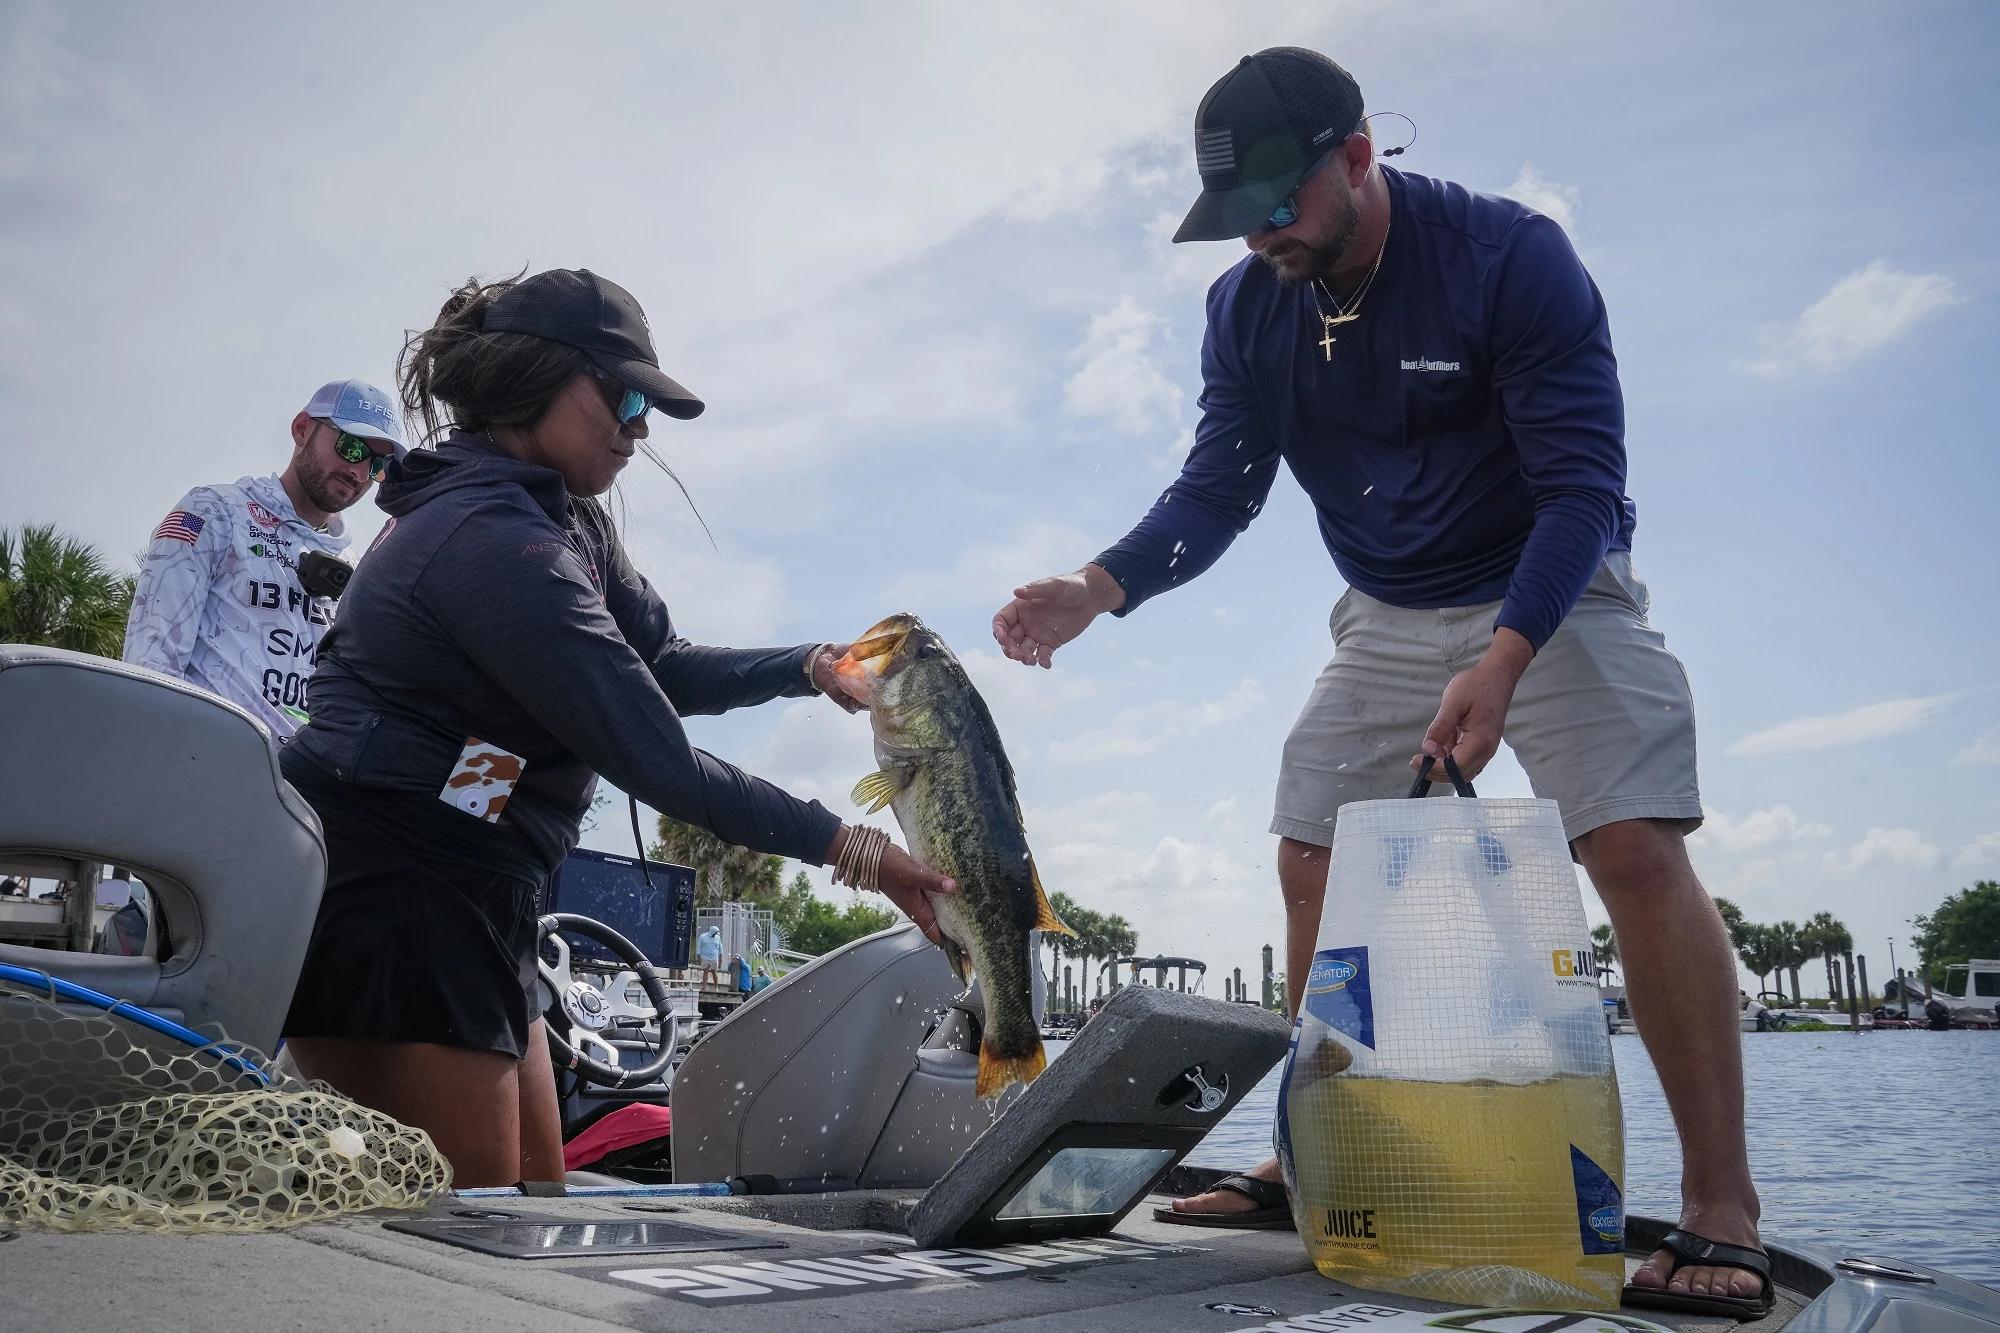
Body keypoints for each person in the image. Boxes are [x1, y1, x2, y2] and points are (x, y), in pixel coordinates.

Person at [992, 48, 1766, 1316]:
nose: (1259, 241)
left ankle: (1721, 1201)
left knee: (1628, 846)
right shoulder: (1249, 306)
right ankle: (1315, 1153)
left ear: (1358, 156)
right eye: (1234, 222)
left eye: (1278, 208)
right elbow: (1216, 489)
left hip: (1550, 580)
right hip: (1387, 609)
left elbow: (1580, 487)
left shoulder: (1511, 258)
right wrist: (1099, 586)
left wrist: (1504, 661)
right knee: (1312, 850)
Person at [278, 268, 955, 1187]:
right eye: (627, 395)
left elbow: (662, 664)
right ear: (539, 380)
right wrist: (855, 851)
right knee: (465, 1229)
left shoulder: (567, 524)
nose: (641, 428)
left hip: (483, 885)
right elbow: (658, 758)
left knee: (534, 1192)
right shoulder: (494, 544)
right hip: (391, 891)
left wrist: (805, 665)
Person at [123, 379, 405, 739]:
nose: (360, 473)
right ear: (302, 430)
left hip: (299, 781)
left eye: (380, 465)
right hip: (203, 762)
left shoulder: (356, 562)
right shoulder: (212, 511)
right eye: (351, 447)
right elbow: (149, 663)